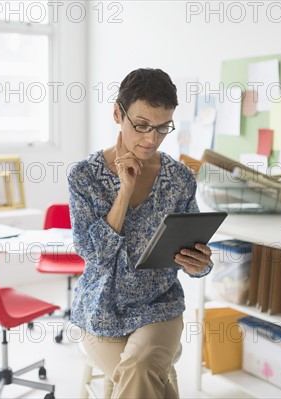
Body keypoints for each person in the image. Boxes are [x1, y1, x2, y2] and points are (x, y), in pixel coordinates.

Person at [68, 68, 213, 398]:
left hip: (159, 307)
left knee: (139, 369)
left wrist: (200, 264)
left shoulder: (179, 179)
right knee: (147, 381)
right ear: (118, 114)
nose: (152, 138)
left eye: (163, 127)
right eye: (142, 125)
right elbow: (96, 255)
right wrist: (124, 190)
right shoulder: (84, 177)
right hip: (101, 311)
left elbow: (198, 255)